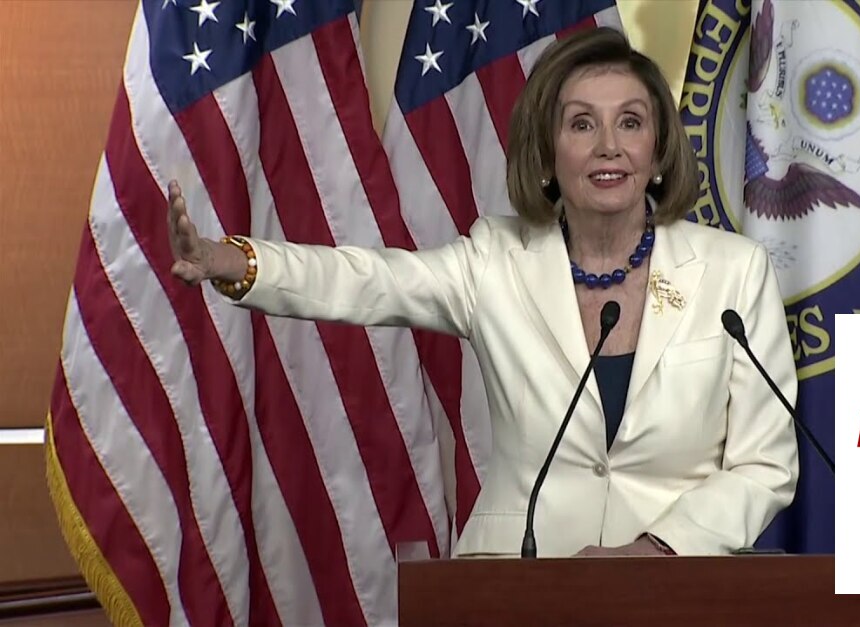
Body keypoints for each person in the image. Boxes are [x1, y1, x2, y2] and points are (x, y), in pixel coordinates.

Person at [167, 27, 798, 559]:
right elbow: (369, 281)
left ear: (657, 151)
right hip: (516, 585)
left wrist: (657, 548)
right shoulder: (496, 259)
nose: (609, 146)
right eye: (582, 124)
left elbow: (765, 463)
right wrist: (234, 261)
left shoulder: (734, 272)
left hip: (680, 590)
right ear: (547, 155)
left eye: (629, 123)